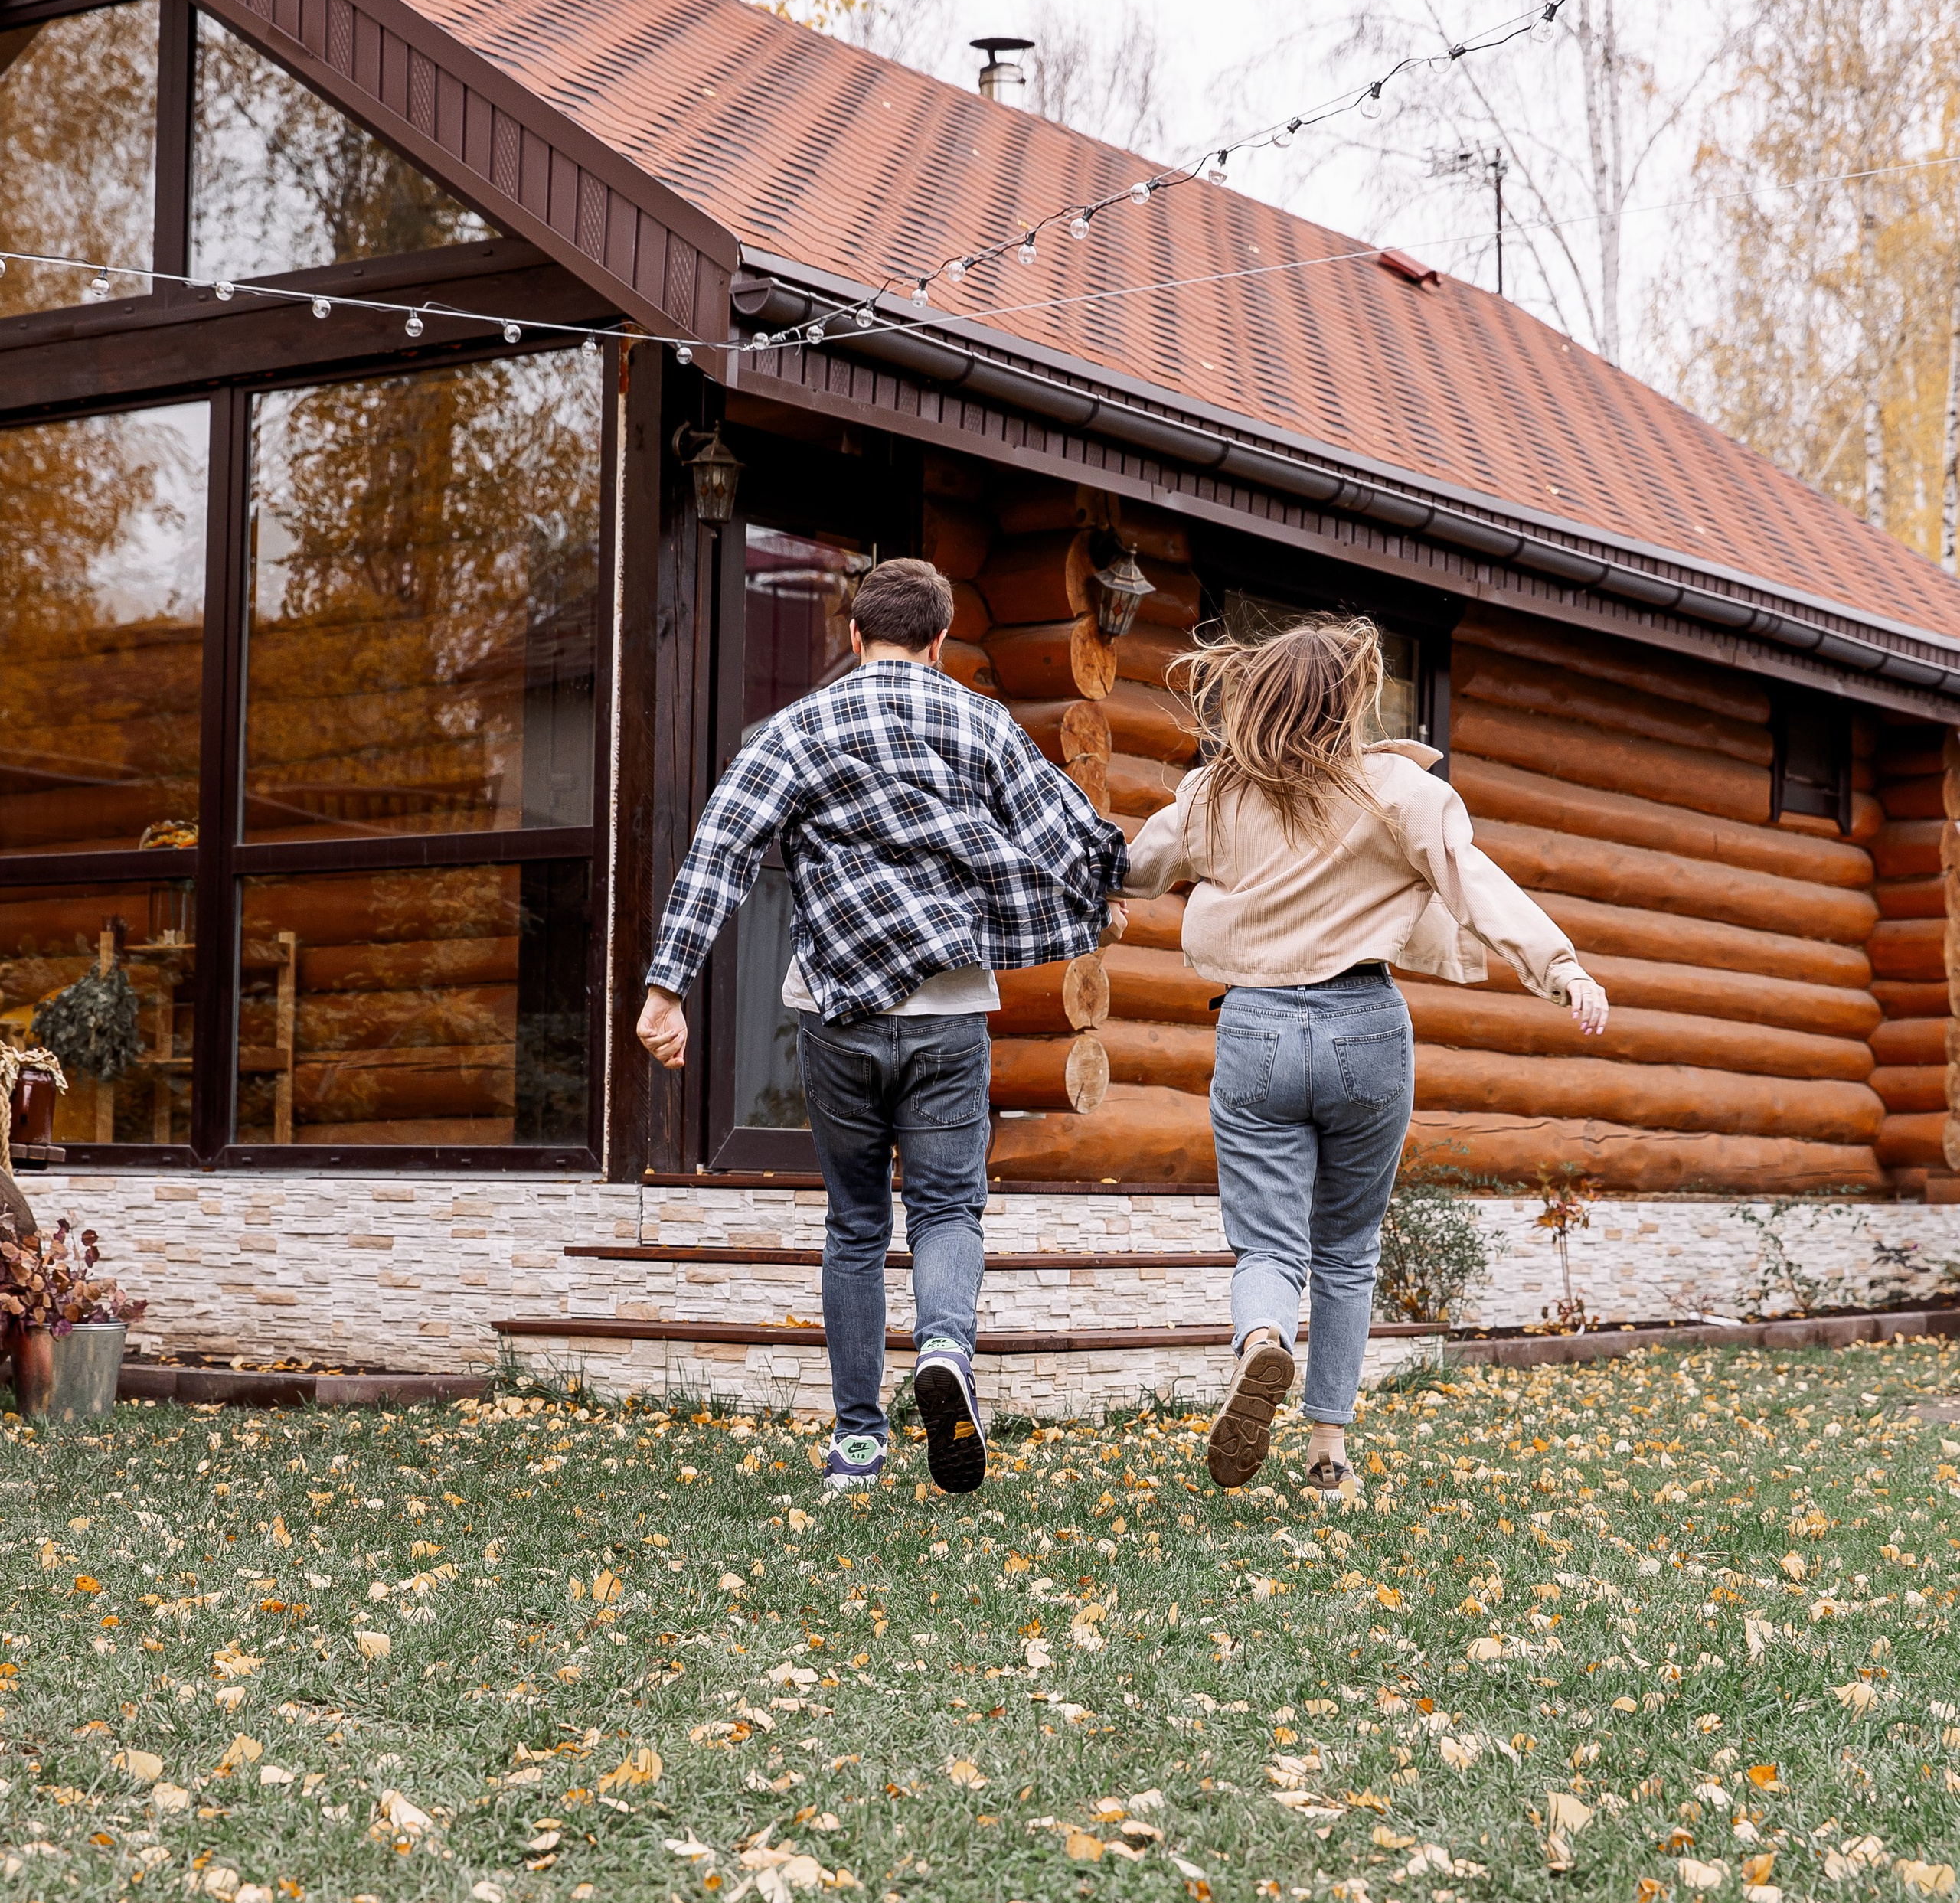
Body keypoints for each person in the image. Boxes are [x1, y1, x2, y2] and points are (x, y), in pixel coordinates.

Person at [638, 557, 1128, 1499]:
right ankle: (944, 1349)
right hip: (948, 1018)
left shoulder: (797, 727)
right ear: (943, 641)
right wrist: (1134, 880)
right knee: (947, 1209)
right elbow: (1070, 838)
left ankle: (856, 1444)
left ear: (853, 636)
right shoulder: (980, 721)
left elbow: (720, 848)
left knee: (855, 1223)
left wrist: (669, 990)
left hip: (837, 1016)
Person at [1125, 615, 1607, 1494]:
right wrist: (1559, 966)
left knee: (1267, 1244)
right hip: (1364, 1028)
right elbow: (1475, 881)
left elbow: (1135, 869)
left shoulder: (1210, 797)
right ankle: (1326, 1456)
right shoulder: (1398, 791)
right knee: (1346, 1248)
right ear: (1350, 702)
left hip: (1256, 1027)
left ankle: (1263, 1340)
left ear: (1258, 697)